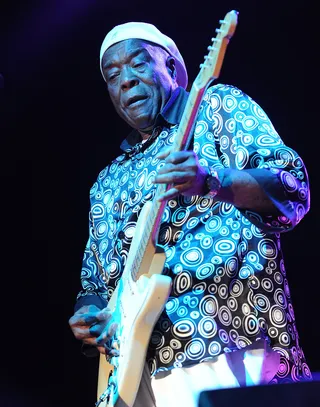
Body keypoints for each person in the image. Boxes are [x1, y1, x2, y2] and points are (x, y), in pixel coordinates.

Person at [69, 21, 312, 407]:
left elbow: (291, 186)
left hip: (223, 344)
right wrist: (91, 315)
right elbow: (93, 284)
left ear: (172, 68)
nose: (126, 81)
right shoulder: (106, 182)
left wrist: (212, 181)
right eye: (113, 76)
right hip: (132, 377)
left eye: (138, 64)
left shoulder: (217, 106)